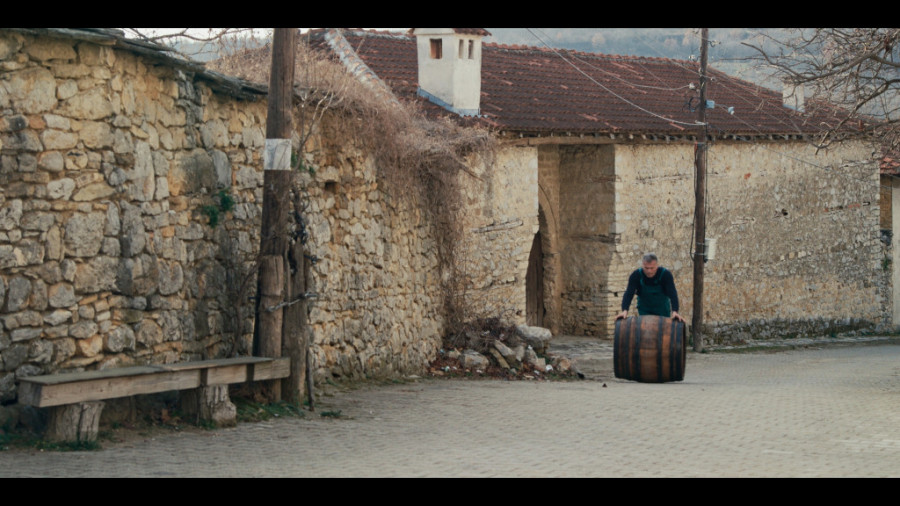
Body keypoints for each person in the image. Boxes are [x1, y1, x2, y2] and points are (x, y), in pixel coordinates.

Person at [615, 253, 686, 322]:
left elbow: (672, 293)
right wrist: (625, 310)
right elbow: (629, 293)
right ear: (643, 265)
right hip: (644, 311)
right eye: (646, 268)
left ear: (657, 266)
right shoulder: (636, 275)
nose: (649, 271)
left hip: (662, 310)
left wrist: (675, 311)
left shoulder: (665, 274)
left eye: (652, 268)